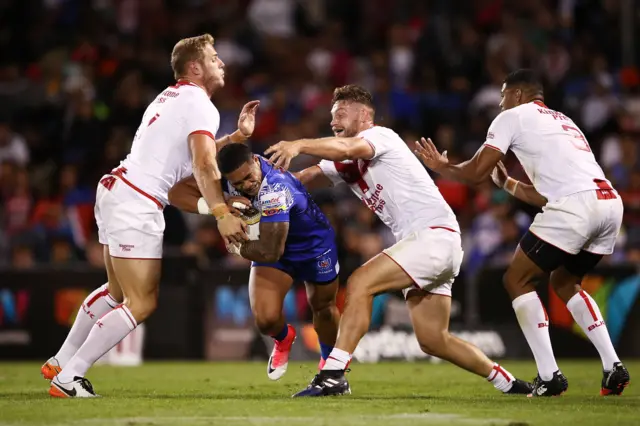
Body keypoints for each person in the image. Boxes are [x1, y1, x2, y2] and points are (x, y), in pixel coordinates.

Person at [264, 84, 533, 397]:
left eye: (340, 113)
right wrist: (269, 188)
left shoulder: (381, 137)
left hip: (431, 237)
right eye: (331, 116)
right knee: (433, 339)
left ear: (364, 115)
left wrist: (298, 143)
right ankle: (509, 383)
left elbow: (347, 150)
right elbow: (312, 174)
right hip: (432, 244)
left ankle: (333, 373)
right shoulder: (345, 158)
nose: (333, 121)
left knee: (361, 282)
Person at [41, 34, 259, 398]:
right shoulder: (200, 103)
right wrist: (221, 210)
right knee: (141, 301)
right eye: (214, 57)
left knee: (115, 292)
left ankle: (62, 360)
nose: (221, 62)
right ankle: (70, 377)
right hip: (137, 200)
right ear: (195, 67)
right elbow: (204, 163)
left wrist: (236, 136)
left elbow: (184, 161)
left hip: (116, 188)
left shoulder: (171, 97)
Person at [414, 69, 630, 397]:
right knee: (564, 282)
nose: (500, 104)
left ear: (516, 95)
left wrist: (442, 167)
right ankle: (613, 367)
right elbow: (549, 194)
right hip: (609, 205)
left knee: (516, 279)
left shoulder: (512, 116)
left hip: (575, 207)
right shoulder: (564, 121)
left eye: (502, 96)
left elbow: (475, 172)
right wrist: (510, 184)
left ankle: (549, 375)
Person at [168, 143, 340, 380]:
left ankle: (331, 368)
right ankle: (283, 338)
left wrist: (238, 246)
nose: (246, 185)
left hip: (312, 246)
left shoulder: (275, 188)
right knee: (266, 320)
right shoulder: (229, 178)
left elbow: (271, 252)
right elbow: (175, 193)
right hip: (272, 244)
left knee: (323, 308)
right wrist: (220, 209)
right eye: (238, 184)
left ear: (256, 162)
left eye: (249, 177)